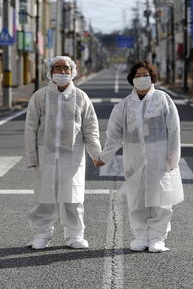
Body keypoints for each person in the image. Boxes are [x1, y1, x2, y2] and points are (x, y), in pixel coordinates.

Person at [95, 61, 184, 252]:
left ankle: (158, 237)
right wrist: (105, 156)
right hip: (134, 158)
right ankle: (141, 236)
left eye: (145, 74)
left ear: (152, 77)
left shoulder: (163, 100)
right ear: (132, 79)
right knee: (136, 200)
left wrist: (172, 157)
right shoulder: (124, 105)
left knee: (161, 200)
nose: (141, 78)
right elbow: (114, 134)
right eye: (137, 75)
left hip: (159, 158)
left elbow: (174, 130)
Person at [24, 56, 101, 250]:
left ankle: (75, 235)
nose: (62, 71)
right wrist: (32, 156)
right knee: (44, 197)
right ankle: (41, 235)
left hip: (72, 155)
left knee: (73, 198)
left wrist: (96, 154)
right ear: (50, 72)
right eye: (57, 68)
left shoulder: (81, 97)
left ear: (73, 71)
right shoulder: (40, 96)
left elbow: (90, 129)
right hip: (45, 154)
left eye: (66, 68)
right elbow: (30, 128)